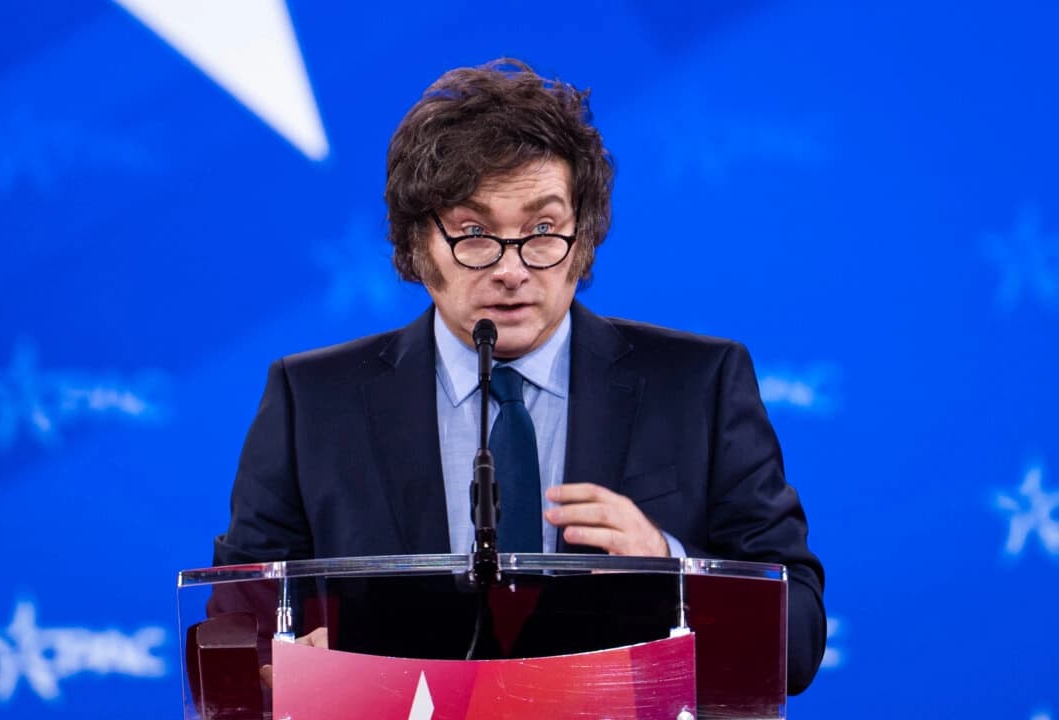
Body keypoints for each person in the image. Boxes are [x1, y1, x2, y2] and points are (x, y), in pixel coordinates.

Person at [213, 58, 825, 693]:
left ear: (582, 238)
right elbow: (234, 625)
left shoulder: (701, 385)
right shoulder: (312, 401)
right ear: (421, 246)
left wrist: (668, 566)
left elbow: (798, 641)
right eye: (475, 232)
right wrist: (276, 665)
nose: (512, 269)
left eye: (541, 229)